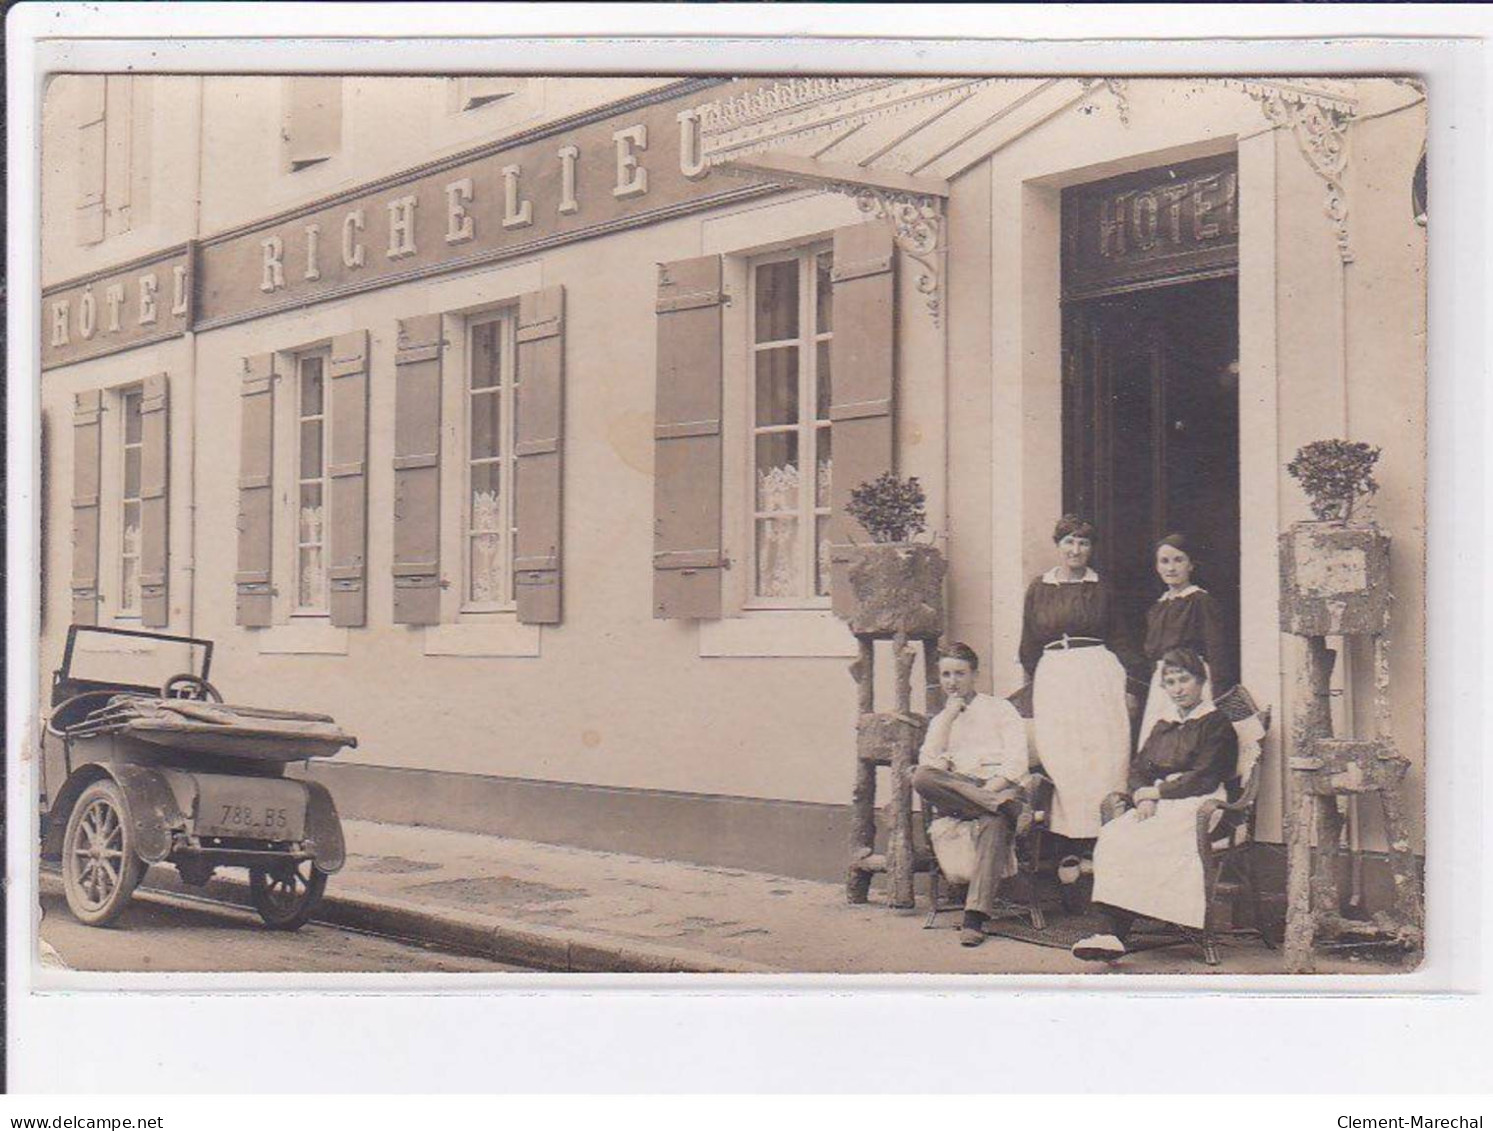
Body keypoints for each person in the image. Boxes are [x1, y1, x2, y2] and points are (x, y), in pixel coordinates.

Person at [1071, 646, 1240, 963]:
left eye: (1184, 680)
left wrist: (1155, 795)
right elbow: (1138, 768)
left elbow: (1204, 776)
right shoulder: (1164, 724)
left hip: (1201, 801)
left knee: (1149, 838)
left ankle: (1116, 930)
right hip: (1158, 800)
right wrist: (1140, 794)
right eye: (1171, 682)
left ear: (1201, 681)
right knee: (1115, 835)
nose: (1178, 689)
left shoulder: (1217, 724)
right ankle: (1108, 931)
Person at [1018, 515, 1147, 840]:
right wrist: (1044, 681)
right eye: (1069, 542)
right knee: (1062, 751)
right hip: (1055, 677)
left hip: (1097, 674)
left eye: (1083, 543)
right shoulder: (1039, 588)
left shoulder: (1100, 588)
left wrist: (1131, 687)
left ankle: (1108, 831)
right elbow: (1029, 644)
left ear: (1091, 548)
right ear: (1058, 545)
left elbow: (1120, 639)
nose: (1076, 550)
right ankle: (1068, 837)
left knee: (1102, 749)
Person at [911, 642, 1033, 948]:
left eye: (960, 674)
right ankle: (1003, 808)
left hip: (995, 785)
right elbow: (930, 764)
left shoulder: (1000, 709)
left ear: (974, 675)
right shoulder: (942, 720)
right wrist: (949, 718)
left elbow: (1017, 761)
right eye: (946, 674)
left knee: (992, 819)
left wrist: (987, 793)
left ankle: (975, 918)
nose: (952, 681)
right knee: (921, 776)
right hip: (964, 797)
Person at [1138, 533, 1235, 746]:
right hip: (1163, 683)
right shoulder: (1158, 607)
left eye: (1178, 560)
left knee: (1192, 742)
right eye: (1164, 561)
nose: (1171, 568)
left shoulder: (1201, 601)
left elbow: (1217, 652)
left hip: (1193, 679)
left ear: (1191, 565)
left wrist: (1219, 697)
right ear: (1157, 567)